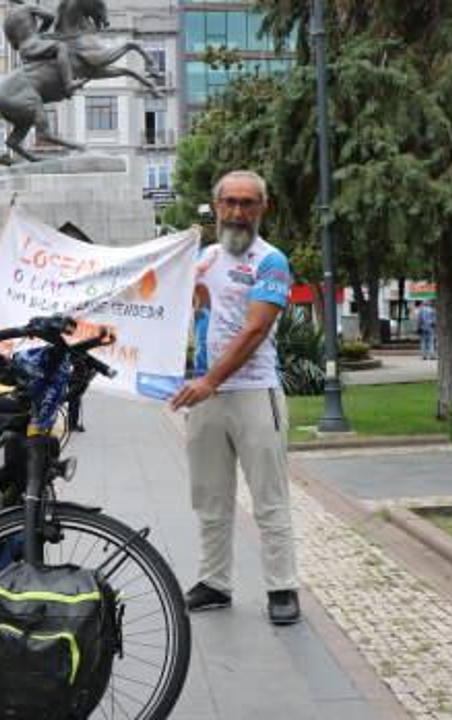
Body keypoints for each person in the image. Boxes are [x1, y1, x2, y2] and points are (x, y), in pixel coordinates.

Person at [169, 170, 301, 626]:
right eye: (230, 202)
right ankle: (215, 582)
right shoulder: (204, 258)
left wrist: (209, 381)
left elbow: (255, 329)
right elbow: (182, 308)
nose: (239, 212)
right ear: (216, 206)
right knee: (209, 497)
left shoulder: (272, 261)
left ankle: (282, 587)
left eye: (248, 203)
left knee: (269, 499)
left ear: (262, 208)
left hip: (253, 393)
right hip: (206, 398)